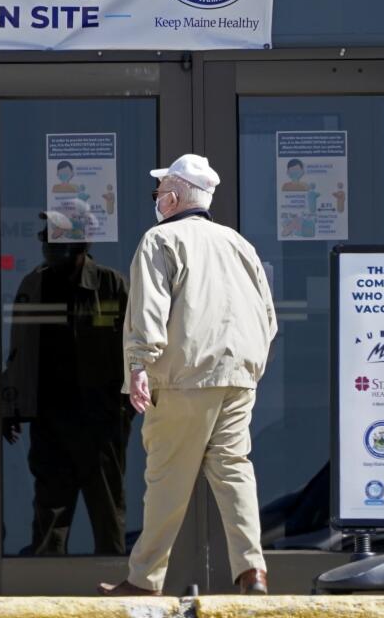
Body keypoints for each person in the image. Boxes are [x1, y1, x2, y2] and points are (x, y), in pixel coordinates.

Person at [98, 154, 277, 597]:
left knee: (166, 479)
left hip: (183, 377)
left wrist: (139, 364)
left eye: (159, 192)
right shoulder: (239, 244)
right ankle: (252, 572)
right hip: (238, 376)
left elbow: (149, 309)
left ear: (174, 196)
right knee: (234, 471)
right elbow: (268, 317)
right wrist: (250, 365)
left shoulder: (161, 240)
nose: (156, 199)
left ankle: (144, 580)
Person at [2, 213, 132, 555]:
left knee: (106, 509)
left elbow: (139, 348)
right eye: (48, 235)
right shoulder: (35, 284)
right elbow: (19, 351)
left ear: (82, 243)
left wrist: (126, 409)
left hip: (100, 421)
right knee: (50, 510)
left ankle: (115, 585)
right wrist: (10, 405)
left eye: (58, 236)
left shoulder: (111, 285)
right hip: (50, 417)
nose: (49, 242)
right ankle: (47, 587)